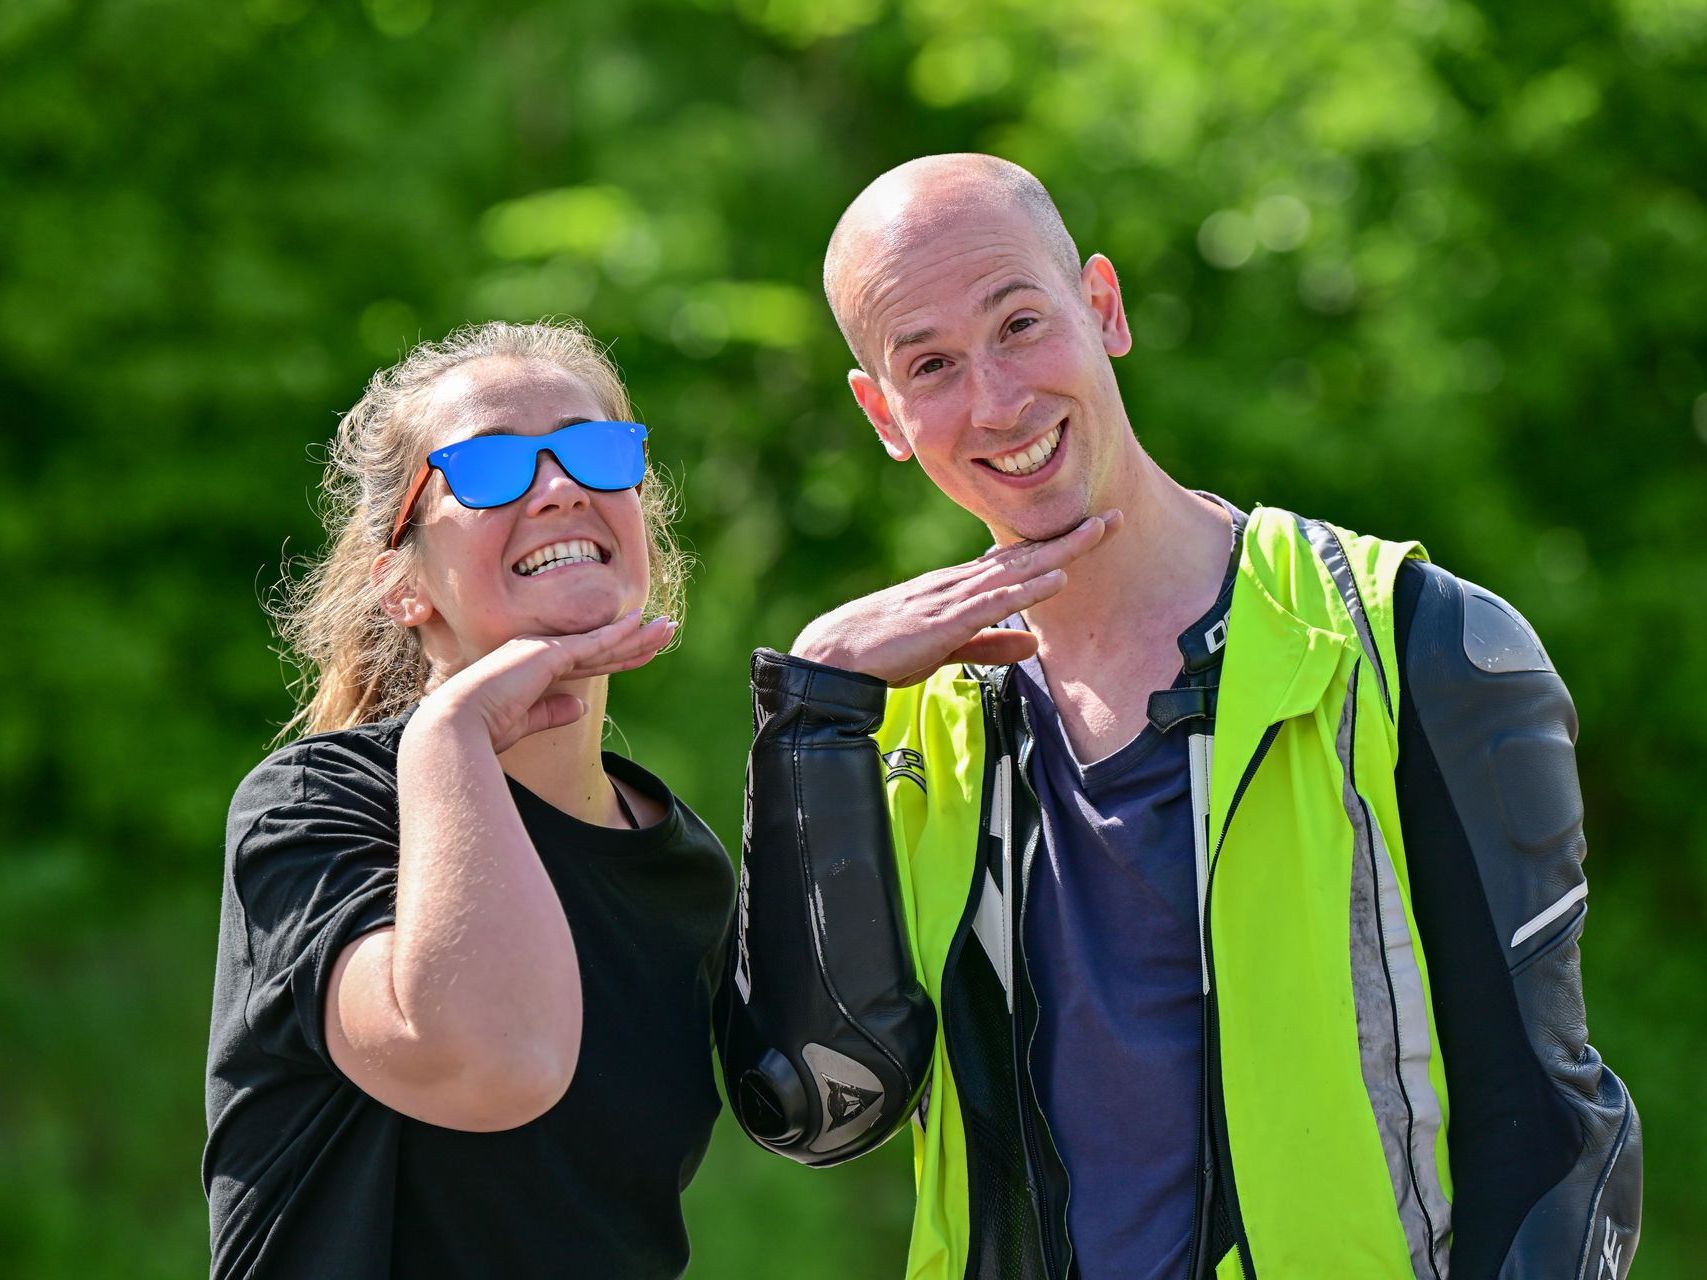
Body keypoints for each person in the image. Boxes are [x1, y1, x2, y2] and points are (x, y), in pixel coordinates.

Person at [716, 155, 1642, 1280]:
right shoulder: (895, 719)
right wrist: (811, 719)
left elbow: (1548, 1142)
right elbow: (824, 1110)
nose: (997, 402)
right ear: (883, 414)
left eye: (1019, 323)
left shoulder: (1419, 646)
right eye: (932, 365)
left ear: (1103, 307)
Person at [204, 320, 735, 1279]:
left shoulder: (679, 863)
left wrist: (827, 713)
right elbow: (494, 1063)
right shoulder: (315, 805)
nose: (560, 488)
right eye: (489, 470)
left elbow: (833, 1102)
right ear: (403, 587)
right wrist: (451, 731)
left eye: (596, 452)